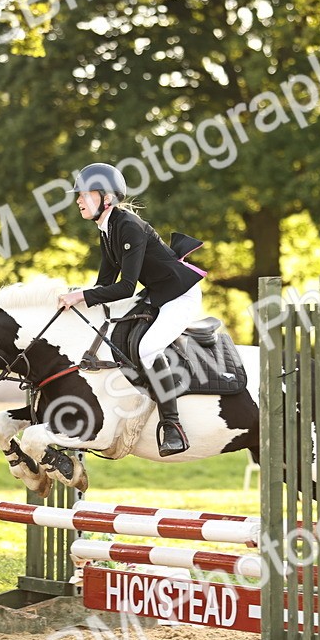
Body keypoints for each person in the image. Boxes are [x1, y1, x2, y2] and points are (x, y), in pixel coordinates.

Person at [57, 162, 206, 456]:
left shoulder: (128, 227)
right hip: (158, 294)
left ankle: (172, 426)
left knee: (149, 348)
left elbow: (126, 288)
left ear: (107, 198)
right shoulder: (107, 229)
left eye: (86, 195)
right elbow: (104, 284)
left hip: (180, 295)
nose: (78, 200)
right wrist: (77, 298)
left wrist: (81, 297)